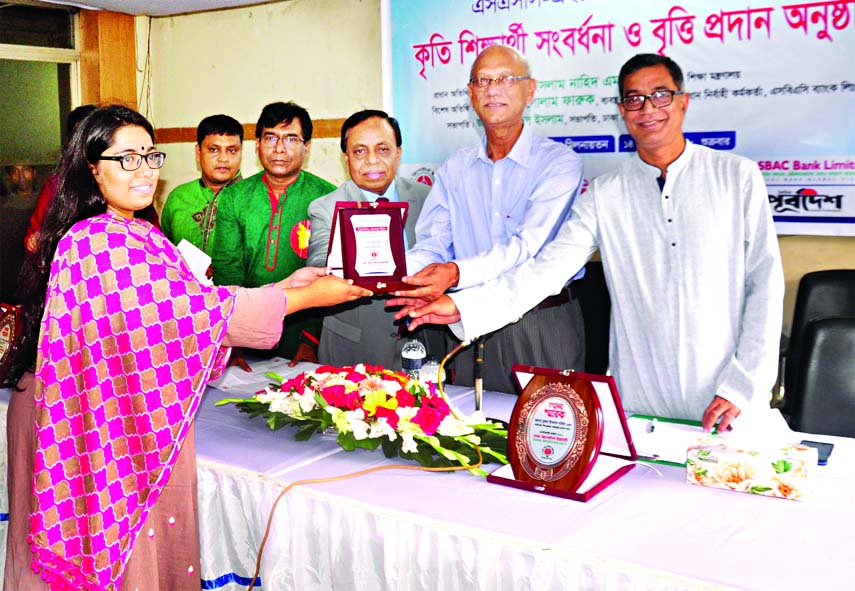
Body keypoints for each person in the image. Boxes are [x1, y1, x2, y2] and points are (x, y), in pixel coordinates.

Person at [3, 105, 369, 591]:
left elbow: (192, 303)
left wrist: (287, 284)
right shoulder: (98, 240)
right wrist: (305, 298)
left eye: (150, 156)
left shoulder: (133, 231)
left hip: (119, 413)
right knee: (113, 550)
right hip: (102, 426)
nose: (145, 172)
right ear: (92, 167)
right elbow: (194, 316)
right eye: (126, 159)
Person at [394, 53, 784, 433]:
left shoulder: (736, 177)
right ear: (621, 110)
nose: (648, 108)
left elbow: (765, 286)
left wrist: (743, 384)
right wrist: (463, 305)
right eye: (634, 99)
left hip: (725, 395)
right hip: (640, 397)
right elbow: (544, 271)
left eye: (661, 95)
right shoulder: (606, 193)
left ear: (683, 101)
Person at [398, 45, 586, 394]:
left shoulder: (559, 164)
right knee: (470, 431)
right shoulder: (455, 168)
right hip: (466, 321)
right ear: (471, 94)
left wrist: (454, 272)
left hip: (540, 322)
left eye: (505, 79)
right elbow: (433, 242)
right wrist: (399, 276)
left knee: (546, 436)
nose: (493, 89)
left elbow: (528, 247)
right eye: (483, 81)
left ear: (530, 90)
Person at [307, 109, 441, 369]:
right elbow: (321, 264)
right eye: (359, 151)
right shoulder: (325, 207)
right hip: (354, 349)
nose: (371, 161)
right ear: (346, 158)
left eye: (382, 149)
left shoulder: (430, 198)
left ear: (398, 153)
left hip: (426, 340)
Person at [212, 101, 336, 367]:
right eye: (271, 138)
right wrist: (234, 342)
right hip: (244, 329)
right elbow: (227, 271)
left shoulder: (327, 197)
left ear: (307, 146)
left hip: (305, 333)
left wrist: (310, 340)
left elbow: (327, 273)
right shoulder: (234, 197)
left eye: (291, 139)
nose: (280, 149)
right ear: (257, 145)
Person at [160, 114, 244, 255]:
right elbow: (165, 253)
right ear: (198, 152)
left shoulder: (254, 199)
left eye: (232, 150)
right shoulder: (178, 197)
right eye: (214, 149)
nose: (223, 158)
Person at [1, 164, 39, 303]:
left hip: (36, 278)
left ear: (35, 173)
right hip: (9, 280)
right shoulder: (5, 207)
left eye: (26, 170)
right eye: (15, 172)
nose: (21, 176)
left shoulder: (45, 203)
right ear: (10, 176)